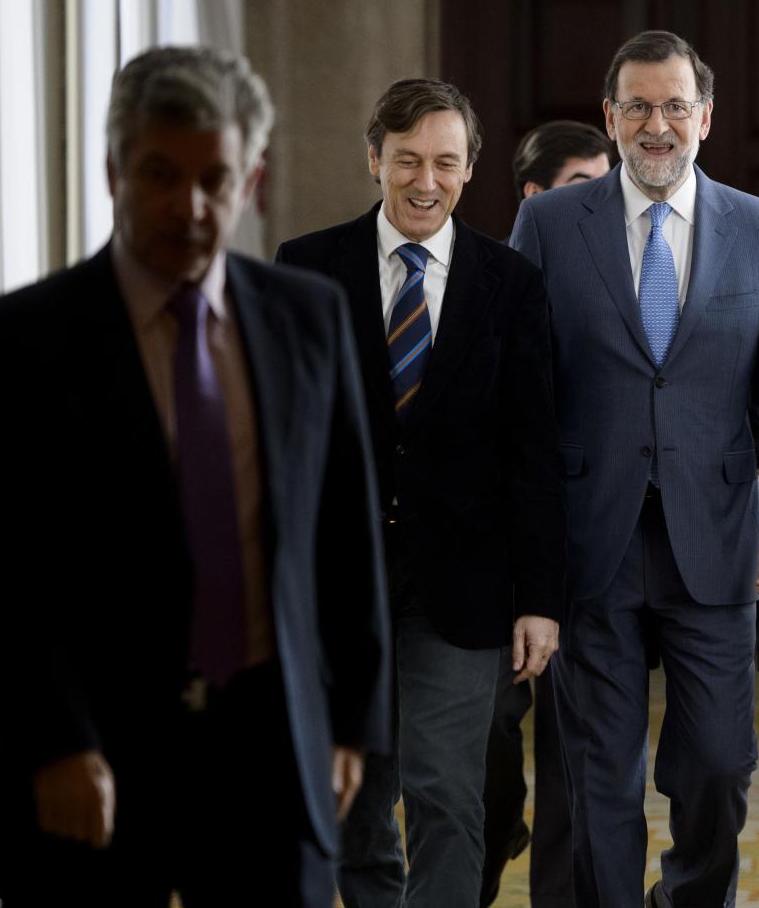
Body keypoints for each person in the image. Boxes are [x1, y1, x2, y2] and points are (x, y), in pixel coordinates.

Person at [0, 45, 390, 907]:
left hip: (275, 747)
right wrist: (55, 741)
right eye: (160, 174)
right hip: (95, 759)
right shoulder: (17, 343)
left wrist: (349, 728)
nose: (188, 206)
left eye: (215, 178)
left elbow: (345, 530)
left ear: (253, 178)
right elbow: (3, 566)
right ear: (112, 168)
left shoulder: (309, 318)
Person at [508, 29, 759, 908]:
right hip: (589, 544)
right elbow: (521, 389)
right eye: (639, 106)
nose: (658, 125)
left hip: (715, 544)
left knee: (719, 767)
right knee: (599, 781)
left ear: (706, 118)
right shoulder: (548, 224)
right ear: (609, 118)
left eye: (675, 106)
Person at [274, 79, 565, 908]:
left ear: (471, 168)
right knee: (356, 800)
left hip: (465, 585)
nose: (424, 181)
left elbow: (533, 452)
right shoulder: (306, 268)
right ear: (375, 160)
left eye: (444, 161)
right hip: (337, 584)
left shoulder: (509, 284)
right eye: (406, 160)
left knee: (445, 790)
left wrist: (541, 597)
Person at [482, 118, 615, 908]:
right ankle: (498, 834)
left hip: (590, 550)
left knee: (578, 755)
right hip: (493, 562)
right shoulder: (481, 287)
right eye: (581, 190)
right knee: (489, 751)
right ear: (534, 200)